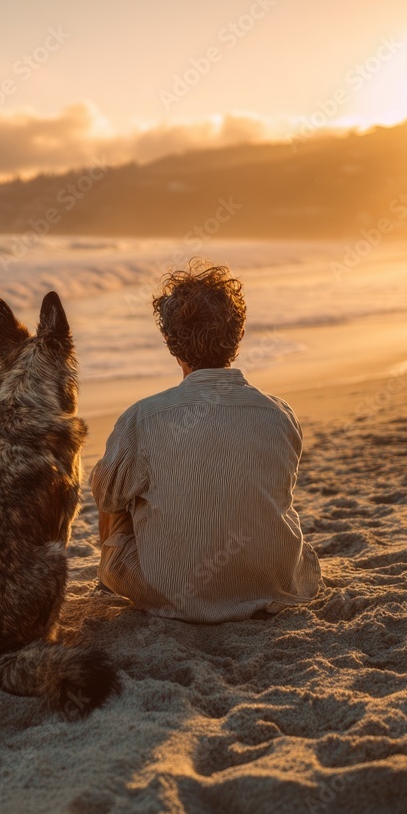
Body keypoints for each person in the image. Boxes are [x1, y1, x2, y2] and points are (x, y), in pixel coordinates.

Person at [90, 261, 321, 623]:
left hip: (176, 593)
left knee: (117, 482)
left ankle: (112, 579)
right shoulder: (279, 414)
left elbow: (106, 498)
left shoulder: (143, 417)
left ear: (169, 342)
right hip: (273, 582)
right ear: (238, 336)